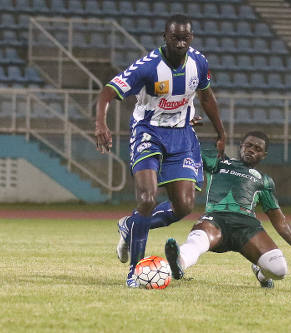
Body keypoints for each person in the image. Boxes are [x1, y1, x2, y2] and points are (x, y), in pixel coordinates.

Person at [94, 14, 226, 287]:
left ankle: (131, 226)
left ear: (191, 38)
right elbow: (108, 91)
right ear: (164, 37)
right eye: (175, 37)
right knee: (147, 198)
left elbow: (206, 96)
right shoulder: (148, 67)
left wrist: (221, 132)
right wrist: (100, 124)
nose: (180, 43)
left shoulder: (198, 63)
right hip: (148, 133)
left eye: (185, 38)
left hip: (182, 136)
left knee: (184, 206)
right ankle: (135, 272)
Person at [164, 131, 291, 288]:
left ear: (264, 155)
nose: (252, 150)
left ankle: (262, 273)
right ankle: (179, 262)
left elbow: (280, 221)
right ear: (241, 146)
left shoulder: (265, 181)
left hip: (246, 226)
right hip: (215, 219)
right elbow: (189, 147)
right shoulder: (218, 161)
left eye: (258, 148)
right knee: (198, 240)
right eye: (249, 145)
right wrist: (185, 127)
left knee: (279, 270)